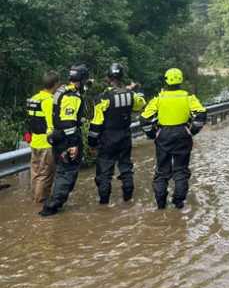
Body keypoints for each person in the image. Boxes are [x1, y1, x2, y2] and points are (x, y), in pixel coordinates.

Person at [141, 68, 207, 210]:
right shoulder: (188, 97)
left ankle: (161, 205)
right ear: (180, 81)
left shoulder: (159, 98)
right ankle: (178, 203)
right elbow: (201, 114)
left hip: (163, 135)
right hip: (183, 134)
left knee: (162, 171)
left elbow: (145, 118)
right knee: (181, 170)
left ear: (166, 81)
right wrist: (192, 131)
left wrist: (153, 134)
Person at [88, 63, 146, 204]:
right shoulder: (131, 95)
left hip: (108, 138)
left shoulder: (103, 98)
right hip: (125, 136)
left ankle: (104, 204)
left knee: (105, 172)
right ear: (122, 77)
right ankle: (128, 198)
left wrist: (91, 142)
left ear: (108, 78)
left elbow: (96, 123)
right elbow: (141, 104)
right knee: (125, 167)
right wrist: (132, 90)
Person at [40, 64, 90, 217]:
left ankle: (53, 204)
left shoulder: (62, 90)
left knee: (62, 171)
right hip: (67, 139)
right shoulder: (71, 96)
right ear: (81, 79)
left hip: (58, 137)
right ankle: (51, 207)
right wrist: (74, 144)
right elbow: (68, 121)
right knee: (67, 173)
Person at [26, 71, 60, 203]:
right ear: (55, 84)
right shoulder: (49, 101)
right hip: (46, 143)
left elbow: (30, 120)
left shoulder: (33, 98)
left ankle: (35, 198)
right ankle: (40, 202)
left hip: (34, 141)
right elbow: (51, 125)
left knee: (35, 173)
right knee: (45, 175)